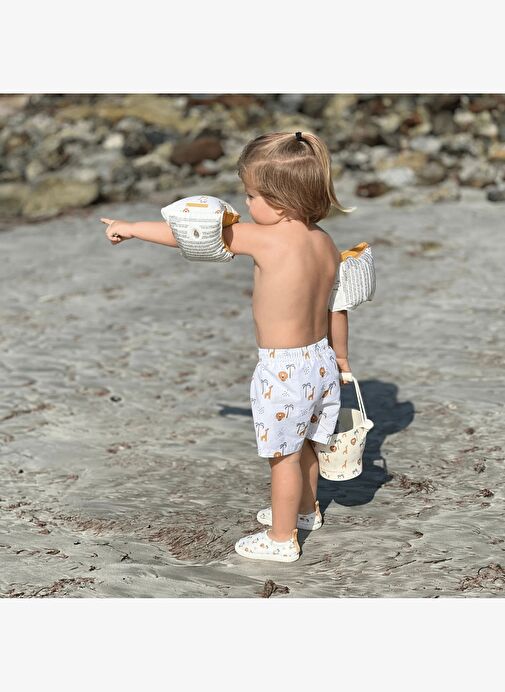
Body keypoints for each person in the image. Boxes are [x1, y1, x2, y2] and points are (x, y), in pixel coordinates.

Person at [100, 130, 354, 563]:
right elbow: (337, 306)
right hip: (321, 360)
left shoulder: (266, 238)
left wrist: (133, 228)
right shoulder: (325, 242)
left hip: (284, 368)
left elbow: (192, 234)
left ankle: (281, 538)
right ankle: (305, 511)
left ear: (280, 201)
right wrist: (342, 358)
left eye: (251, 196)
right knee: (308, 442)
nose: (246, 205)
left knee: (283, 455)